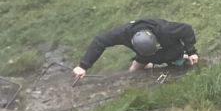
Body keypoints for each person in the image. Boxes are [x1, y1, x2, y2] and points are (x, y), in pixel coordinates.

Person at [70, 20, 198, 80]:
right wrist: (83, 66)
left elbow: (187, 29)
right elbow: (100, 41)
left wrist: (192, 51)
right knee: (133, 72)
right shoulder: (123, 33)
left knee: (178, 61)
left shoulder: (164, 30)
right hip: (145, 55)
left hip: (170, 48)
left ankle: (183, 57)